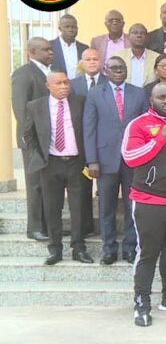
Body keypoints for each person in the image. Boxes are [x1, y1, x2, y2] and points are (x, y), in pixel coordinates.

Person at [121, 84, 166, 327]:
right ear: (151, 99)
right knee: (148, 254)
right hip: (148, 201)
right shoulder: (139, 124)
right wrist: (160, 138)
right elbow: (130, 158)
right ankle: (141, 302)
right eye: (161, 97)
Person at [23, 71, 93, 265]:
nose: (63, 87)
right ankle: (55, 250)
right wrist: (39, 158)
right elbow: (28, 135)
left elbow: (89, 129)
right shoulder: (35, 106)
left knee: (78, 208)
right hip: (50, 164)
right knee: (52, 208)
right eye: (58, 83)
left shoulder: (80, 102)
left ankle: (79, 249)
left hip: (76, 163)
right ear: (48, 86)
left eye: (66, 83)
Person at [84, 56, 148, 265]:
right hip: (104, 160)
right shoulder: (95, 94)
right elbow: (89, 128)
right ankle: (109, 248)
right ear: (106, 70)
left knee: (133, 206)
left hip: (133, 159)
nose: (119, 71)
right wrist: (91, 160)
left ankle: (130, 248)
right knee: (107, 207)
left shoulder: (138, 93)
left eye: (122, 68)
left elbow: (145, 126)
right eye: (114, 68)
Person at [12, 37, 54, 241]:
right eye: (46, 50)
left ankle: (47, 225)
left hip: (49, 138)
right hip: (33, 139)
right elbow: (21, 109)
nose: (50, 53)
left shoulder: (50, 72)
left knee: (46, 183)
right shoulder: (23, 74)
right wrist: (29, 138)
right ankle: (35, 227)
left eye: (51, 49)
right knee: (35, 184)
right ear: (32, 52)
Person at [70, 49, 106, 236]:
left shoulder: (110, 82)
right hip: (79, 143)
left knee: (105, 190)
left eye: (95, 59)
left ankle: (104, 228)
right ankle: (85, 227)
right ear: (82, 62)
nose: (92, 62)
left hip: (103, 141)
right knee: (82, 187)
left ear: (102, 61)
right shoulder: (72, 85)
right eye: (88, 59)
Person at [50, 14, 88, 78]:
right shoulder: (50, 46)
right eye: (67, 27)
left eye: (73, 27)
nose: (71, 30)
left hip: (79, 86)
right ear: (60, 28)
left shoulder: (84, 48)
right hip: (58, 85)